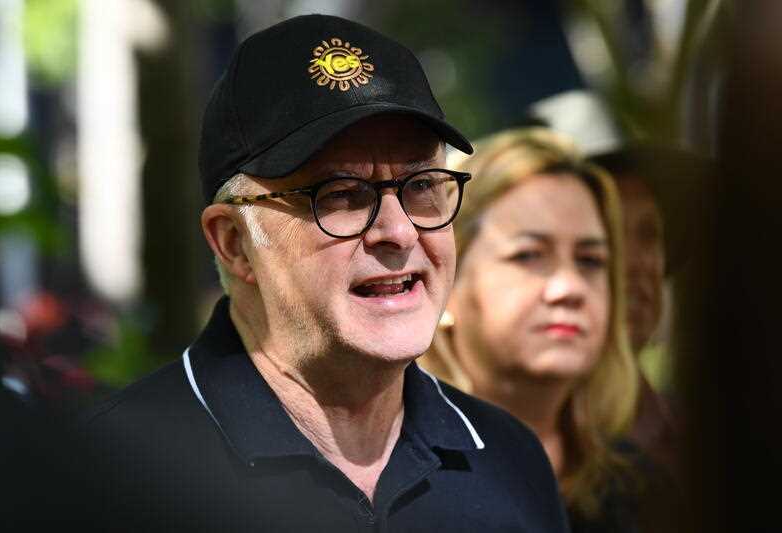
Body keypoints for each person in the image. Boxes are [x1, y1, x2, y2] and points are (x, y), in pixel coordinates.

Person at [82, 15, 569, 532]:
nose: (399, 232)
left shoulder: (507, 460)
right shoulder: (109, 475)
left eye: (422, 184)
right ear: (234, 243)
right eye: (340, 195)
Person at [419, 128, 679, 531]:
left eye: (591, 261)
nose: (568, 289)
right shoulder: (387, 480)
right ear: (448, 278)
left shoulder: (642, 487)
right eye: (529, 255)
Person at [526, 90, 708, 480]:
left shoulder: (711, 437)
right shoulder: (514, 459)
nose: (636, 262)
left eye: (649, 233)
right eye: (605, 231)